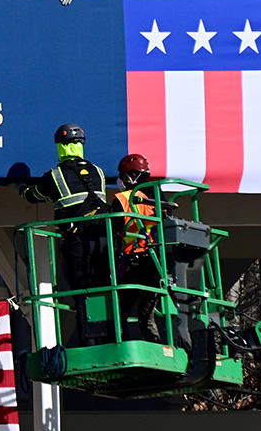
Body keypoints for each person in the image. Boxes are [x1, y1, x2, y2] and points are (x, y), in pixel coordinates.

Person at [18, 123, 108, 344]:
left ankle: (90, 342)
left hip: (77, 242)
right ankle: (110, 338)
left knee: (81, 292)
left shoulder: (55, 176)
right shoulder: (99, 172)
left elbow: (32, 196)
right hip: (104, 241)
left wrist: (20, 187)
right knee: (104, 290)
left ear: (60, 147)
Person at [111, 153, 162, 342]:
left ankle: (121, 346)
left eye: (123, 176)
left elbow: (113, 229)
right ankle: (155, 346)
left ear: (131, 176)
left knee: (119, 311)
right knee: (147, 316)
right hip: (156, 262)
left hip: (134, 261)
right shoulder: (156, 195)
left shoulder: (122, 199)